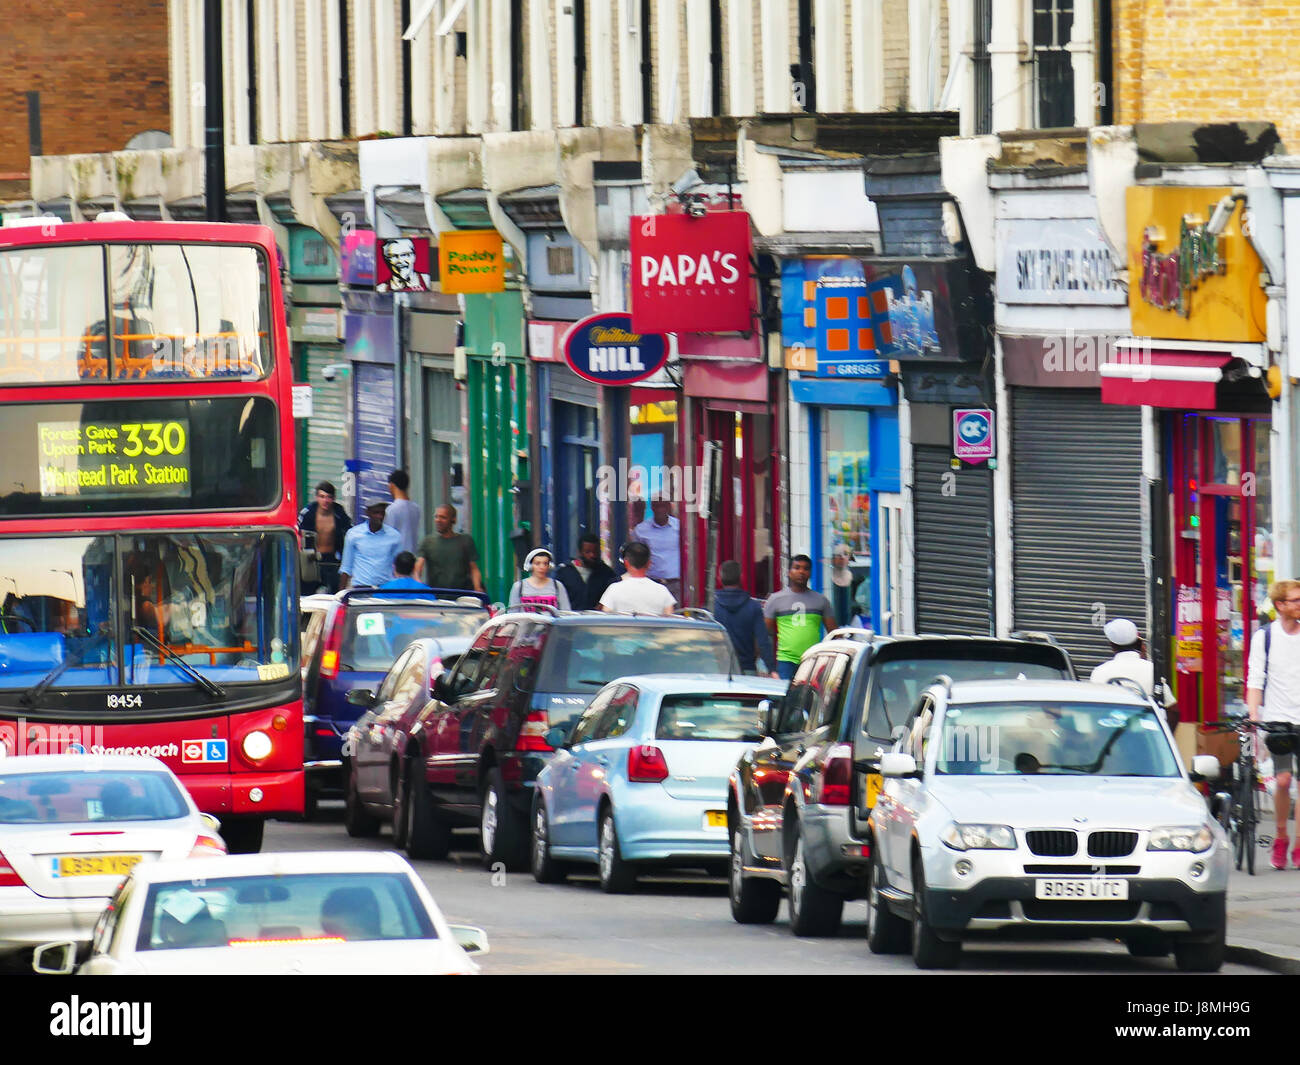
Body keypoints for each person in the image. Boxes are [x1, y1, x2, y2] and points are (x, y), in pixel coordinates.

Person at [1246, 580, 1300, 869]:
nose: (1299, 604)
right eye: (1295, 600)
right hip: (1278, 717)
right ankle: (1281, 836)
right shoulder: (1264, 637)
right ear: (1280, 605)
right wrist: (1254, 714)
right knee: (1283, 780)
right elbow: (1255, 679)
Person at [763, 555, 837, 681]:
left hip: (813, 659)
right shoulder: (775, 599)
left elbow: (834, 634)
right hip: (786, 661)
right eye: (797, 568)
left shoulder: (821, 600)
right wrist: (769, 667)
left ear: (810, 573)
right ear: (789, 572)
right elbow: (765, 634)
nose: (801, 572)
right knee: (785, 698)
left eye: (806, 568)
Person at [1090, 618, 1176, 716]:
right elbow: (1173, 708)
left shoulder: (1099, 672)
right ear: (1137, 641)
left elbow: (1092, 711)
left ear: (1112, 646)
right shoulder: (1152, 670)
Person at [713, 560, 778, 677]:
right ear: (741, 577)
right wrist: (771, 669)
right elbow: (763, 641)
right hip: (747, 670)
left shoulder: (712, 607)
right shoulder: (753, 607)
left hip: (719, 670)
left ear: (719, 578)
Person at [415, 504, 484, 592]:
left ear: (453, 520)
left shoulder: (465, 541)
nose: (438, 520)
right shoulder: (428, 542)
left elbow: (473, 568)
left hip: (461, 595)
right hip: (437, 597)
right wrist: (418, 583)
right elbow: (418, 567)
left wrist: (477, 587)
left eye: (443, 517)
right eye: (436, 517)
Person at [298, 482, 352, 594]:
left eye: (329, 497)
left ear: (333, 498)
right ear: (317, 497)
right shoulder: (308, 513)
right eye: (322, 497)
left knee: (335, 594)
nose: (325, 501)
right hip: (311, 560)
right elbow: (297, 532)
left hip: (332, 560)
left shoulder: (339, 512)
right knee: (307, 594)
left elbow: (350, 532)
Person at [598, 541, 675, 615]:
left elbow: (605, 617)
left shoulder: (613, 589)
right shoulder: (662, 591)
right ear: (649, 564)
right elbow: (670, 620)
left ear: (626, 563)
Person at [339, 501, 403, 590]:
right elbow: (346, 567)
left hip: (385, 590)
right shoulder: (353, 534)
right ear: (367, 513)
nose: (380, 516)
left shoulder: (395, 536)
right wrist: (340, 595)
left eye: (382, 513)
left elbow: (399, 568)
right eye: (376, 513)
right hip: (360, 589)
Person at [632, 495, 682, 602]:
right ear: (652, 508)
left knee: (676, 616)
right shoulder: (641, 530)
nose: (660, 510)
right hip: (652, 584)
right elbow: (636, 559)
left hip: (675, 584)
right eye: (657, 506)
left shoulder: (679, 527)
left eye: (663, 506)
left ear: (669, 507)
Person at [555, 533, 617, 611]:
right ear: (580, 552)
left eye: (596, 552)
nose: (592, 555)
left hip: (597, 620)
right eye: (588, 552)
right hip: (570, 620)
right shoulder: (564, 572)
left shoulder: (606, 573)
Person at [507, 548, 572, 611]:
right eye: (537, 563)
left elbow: (566, 612)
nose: (542, 567)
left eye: (545, 563)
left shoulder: (557, 586)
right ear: (530, 566)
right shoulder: (519, 587)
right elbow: (512, 613)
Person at [384, 470, 422, 554]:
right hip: (412, 556)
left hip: (397, 560)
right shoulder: (416, 508)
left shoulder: (391, 510)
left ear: (392, 485)